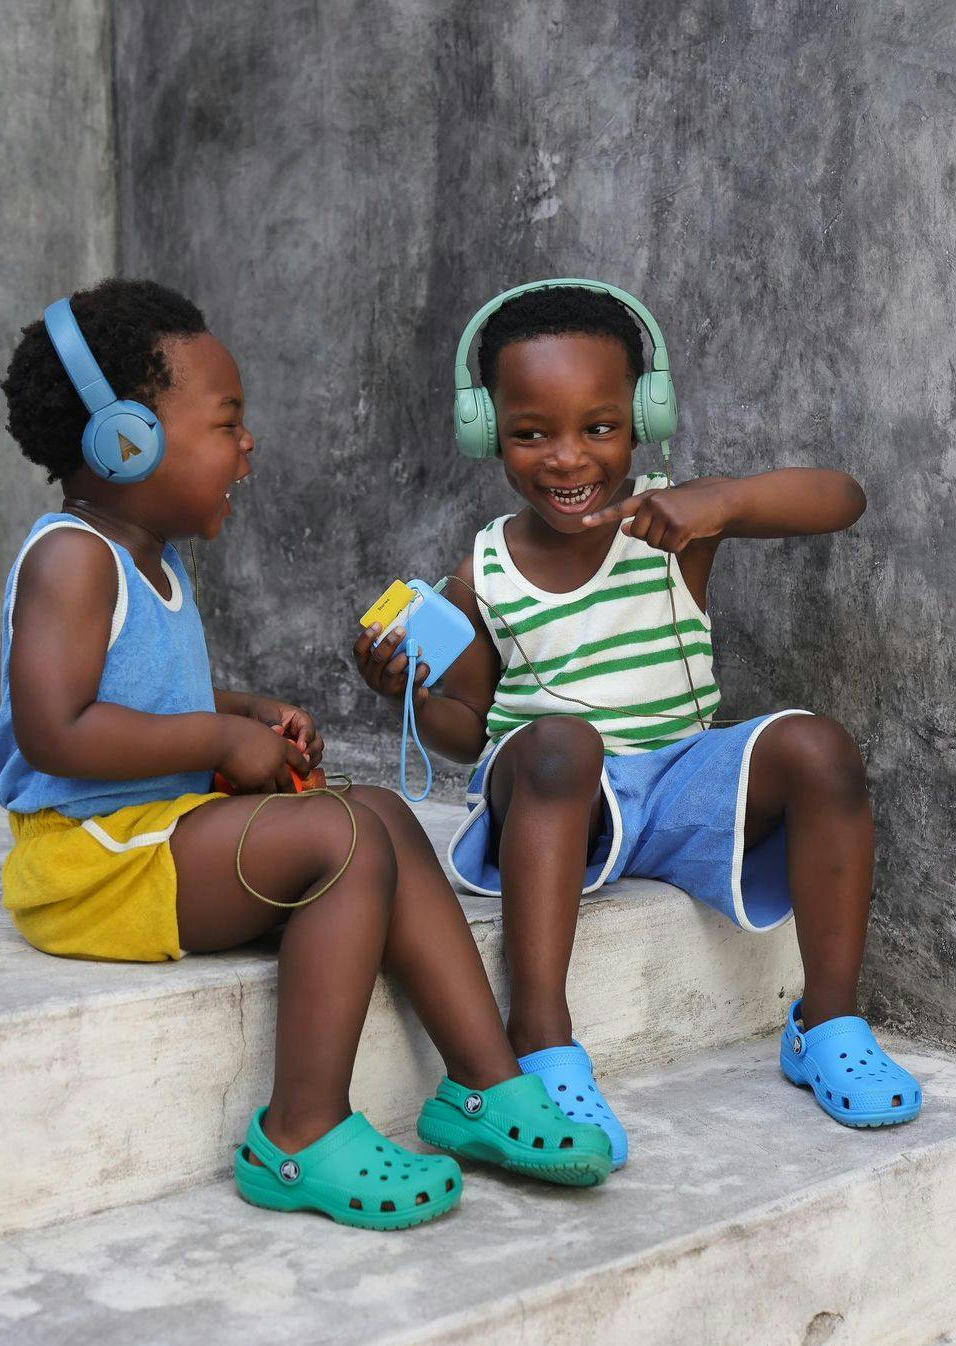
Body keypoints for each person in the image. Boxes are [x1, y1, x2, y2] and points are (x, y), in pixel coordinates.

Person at [0, 278, 613, 1233]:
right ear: (127, 441)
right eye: (226, 423)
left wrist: (242, 713)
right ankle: (297, 1132)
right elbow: (56, 730)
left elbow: (148, 702)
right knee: (341, 839)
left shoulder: (149, 557)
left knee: (381, 815)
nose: (247, 446)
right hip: (90, 862)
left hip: (156, 833)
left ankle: (483, 1087)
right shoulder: (72, 558)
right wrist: (213, 738)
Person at [353, 281, 922, 1169]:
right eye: (530, 432)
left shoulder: (679, 523)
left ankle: (827, 1021)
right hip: (560, 799)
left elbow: (841, 497)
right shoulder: (486, 567)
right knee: (562, 741)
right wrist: (406, 692)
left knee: (817, 745)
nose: (567, 459)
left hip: (681, 781)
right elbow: (468, 727)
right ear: (486, 430)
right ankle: (540, 1042)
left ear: (644, 418)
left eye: (601, 427)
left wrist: (721, 503)